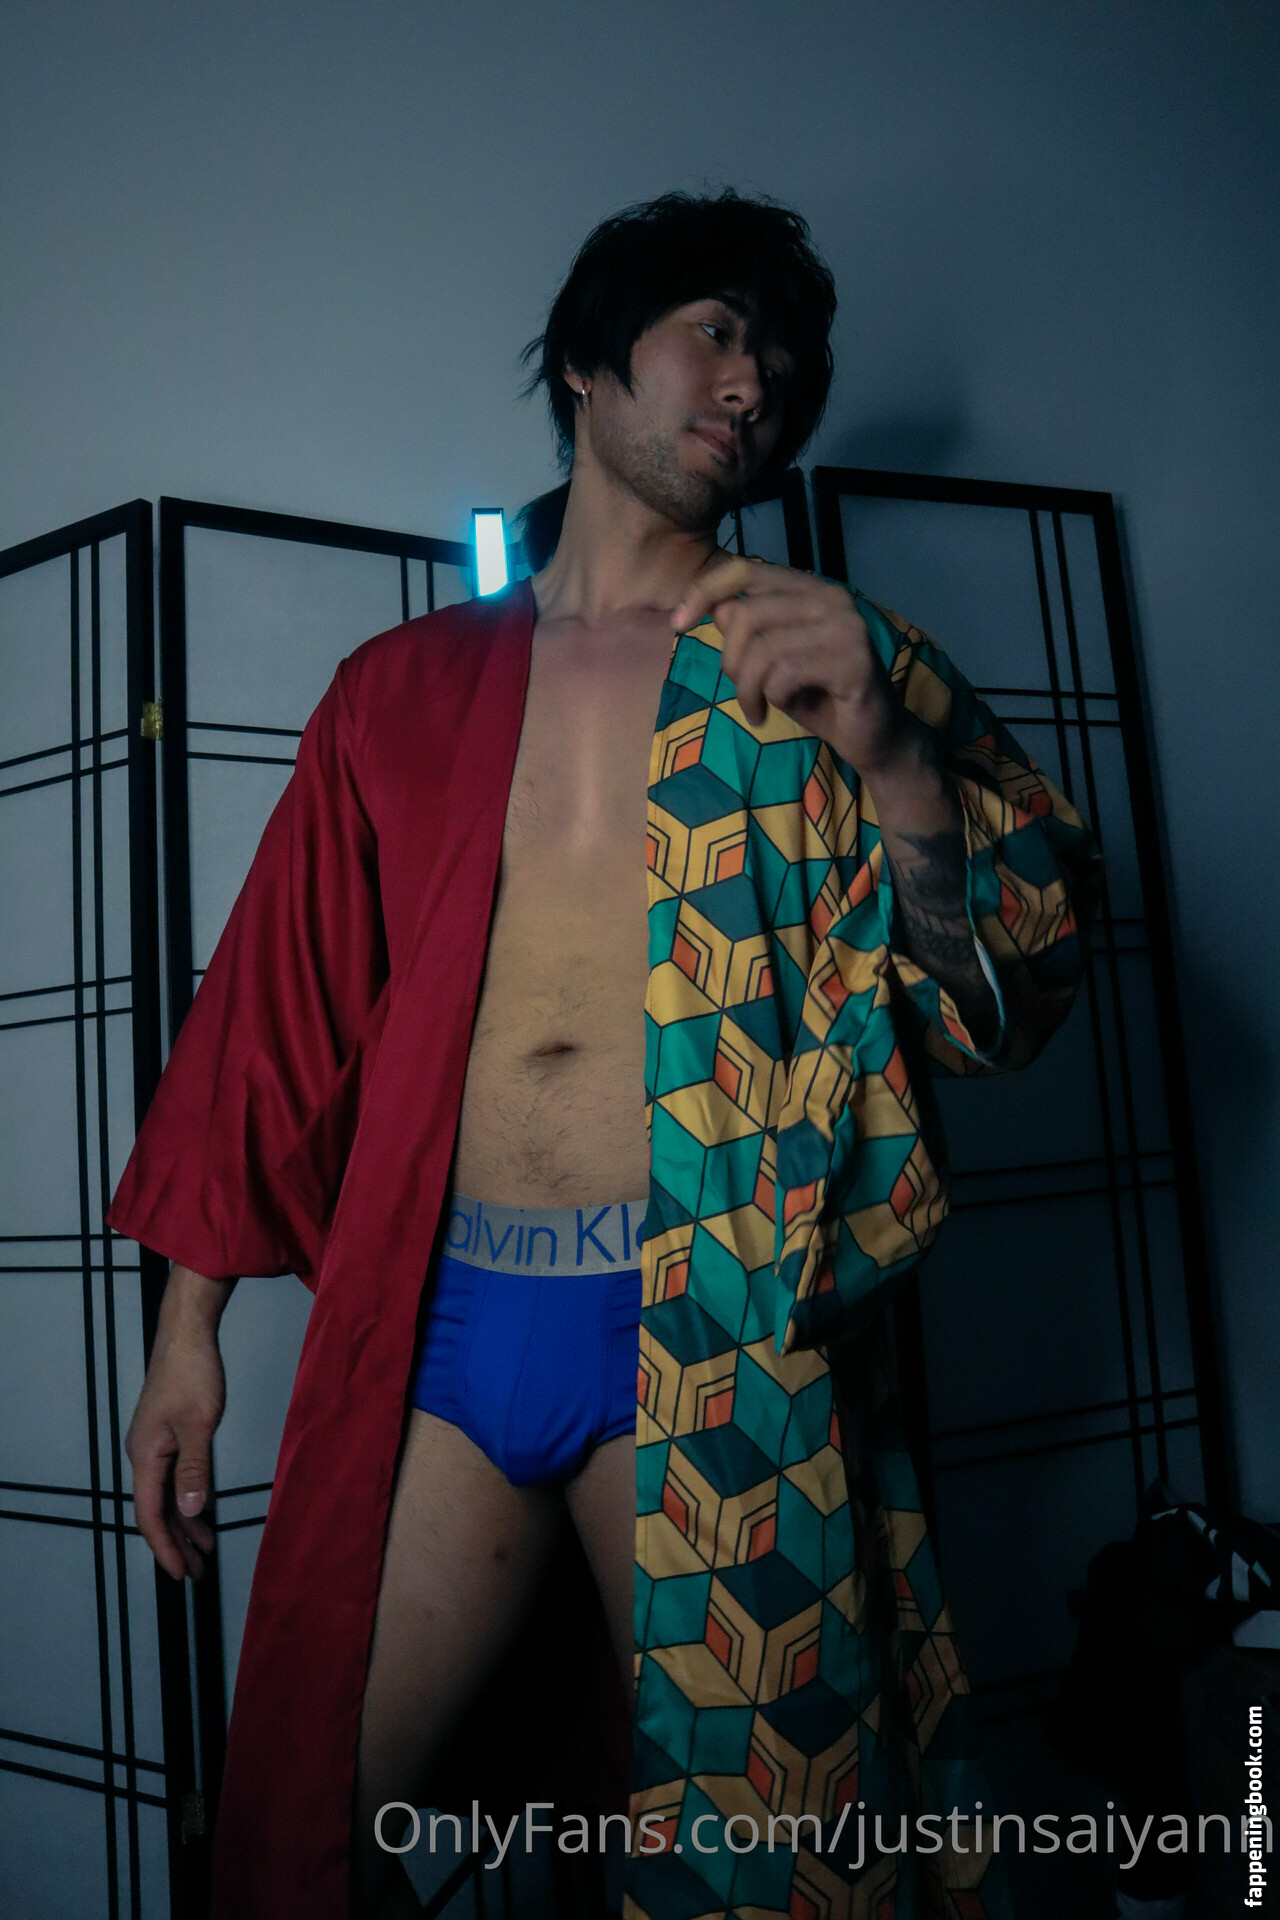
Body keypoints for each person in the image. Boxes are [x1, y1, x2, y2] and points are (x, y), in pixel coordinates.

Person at [111, 190, 1100, 1920]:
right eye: (716, 332)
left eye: (779, 364)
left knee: (771, 1869)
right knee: (301, 1845)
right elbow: (274, 1009)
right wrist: (184, 1337)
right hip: (448, 1326)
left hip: (713, 1339)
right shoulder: (402, 688)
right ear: (586, 360)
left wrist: (896, 762)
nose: (753, 386)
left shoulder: (829, 661)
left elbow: (998, 1007)